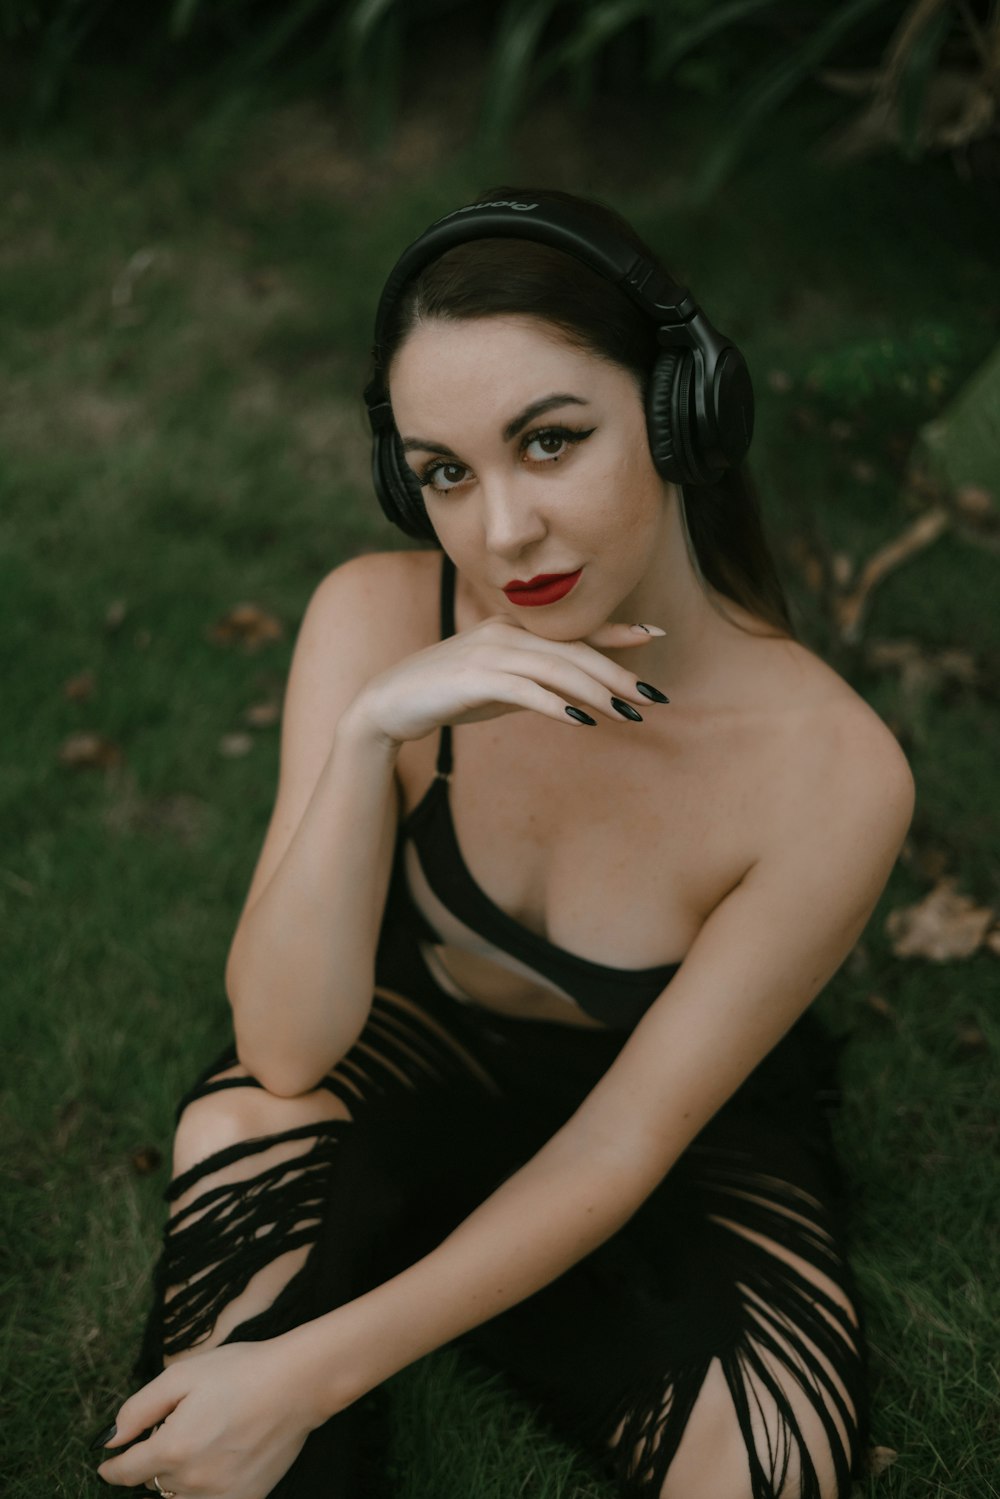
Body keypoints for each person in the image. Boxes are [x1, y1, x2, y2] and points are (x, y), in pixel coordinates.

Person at [93, 187, 914, 1499]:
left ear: (679, 412)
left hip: (666, 1144)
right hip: (403, 1065)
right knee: (247, 1124)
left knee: (773, 1463)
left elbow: (619, 1148)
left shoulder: (834, 773)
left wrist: (308, 1371)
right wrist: (368, 738)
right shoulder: (376, 615)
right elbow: (289, 1044)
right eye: (444, 474)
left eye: (549, 441)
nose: (501, 533)